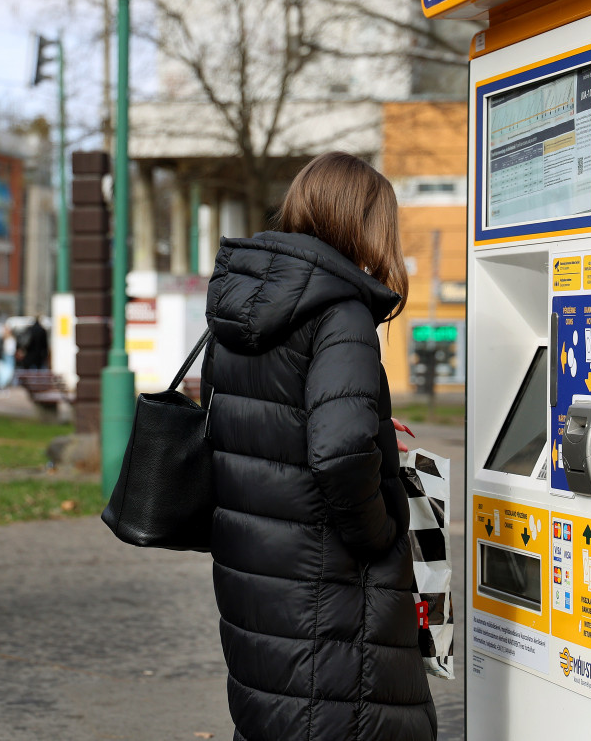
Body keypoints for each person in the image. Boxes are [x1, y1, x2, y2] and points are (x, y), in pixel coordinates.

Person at [201, 151, 436, 741]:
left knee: (278, 708)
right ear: (365, 221)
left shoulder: (244, 299)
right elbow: (338, 451)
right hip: (326, 570)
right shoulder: (342, 309)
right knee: (340, 714)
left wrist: (373, 416)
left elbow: (247, 414)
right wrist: (378, 533)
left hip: (255, 558)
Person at [0, 318, 17, 390]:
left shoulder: (10, 338)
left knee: (9, 371)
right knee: (6, 371)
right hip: (7, 356)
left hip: (10, 355)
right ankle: (1, 385)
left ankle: (3, 385)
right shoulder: (3, 339)